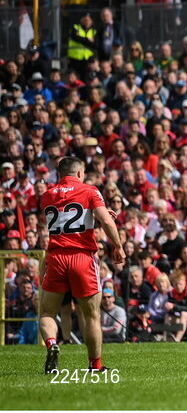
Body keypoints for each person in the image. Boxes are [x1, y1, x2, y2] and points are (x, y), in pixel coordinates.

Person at [38, 156, 125, 373]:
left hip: (56, 257)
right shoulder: (89, 190)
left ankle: (51, 343)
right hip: (81, 257)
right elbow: (105, 220)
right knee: (91, 315)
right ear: (79, 173)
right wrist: (118, 246)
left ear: (59, 174)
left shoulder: (46, 196)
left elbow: (66, 216)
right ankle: (95, 366)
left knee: (47, 313)